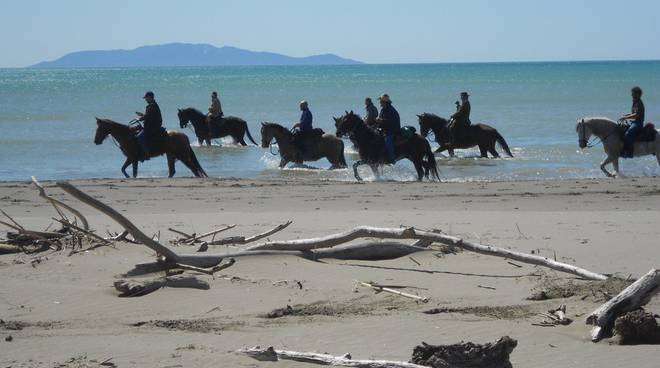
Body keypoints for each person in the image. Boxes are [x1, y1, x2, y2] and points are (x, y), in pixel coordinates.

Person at [135, 91, 163, 160]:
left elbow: (147, 116)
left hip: (152, 127)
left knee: (139, 137)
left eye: (146, 98)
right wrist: (142, 115)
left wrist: (140, 118)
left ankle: (146, 154)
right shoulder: (152, 105)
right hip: (152, 125)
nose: (145, 100)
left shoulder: (152, 106)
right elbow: (149, 115)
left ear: (150, 98)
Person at [619, 86, 645, 158]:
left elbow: (636, 115)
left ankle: (629, 152)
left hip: (638, 123)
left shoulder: (639, 103)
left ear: (637, 94)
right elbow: (633, 113)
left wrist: (626, 117)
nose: (631, 95)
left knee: (628, 133)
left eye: (633, 93)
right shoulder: (635, 102)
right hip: (633, 122)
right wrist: (626, 115)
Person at [376, 94, 400, 163]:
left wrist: (380, 120)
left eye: (381, 101)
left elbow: (389, 121)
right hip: (385, 129)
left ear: (384, 102)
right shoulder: (384, 109)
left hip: (392, 130)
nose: (380, 102)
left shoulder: (390, 110)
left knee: (388, 140)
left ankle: (391, 159)